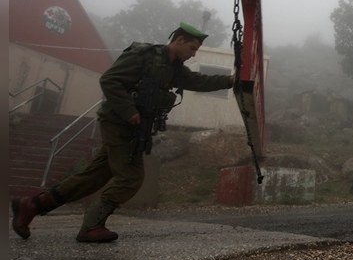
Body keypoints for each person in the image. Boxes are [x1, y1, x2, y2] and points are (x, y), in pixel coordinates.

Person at [11, 22, 234, 243]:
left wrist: (230, 80)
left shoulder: (172, 67)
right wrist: (129, 111)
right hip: (119, 123)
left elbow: (197, 80)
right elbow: (109, 80)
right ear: (179, 40)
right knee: (131, 178)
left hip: (134, 127)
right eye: (192, 48)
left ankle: (31, 205)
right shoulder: (144, 55)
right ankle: (91, 225)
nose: (193, 55)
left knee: (92, 178)